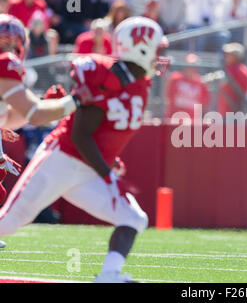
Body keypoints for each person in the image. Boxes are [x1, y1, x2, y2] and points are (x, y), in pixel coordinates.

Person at [0, 16, 170, 283]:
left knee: (134, 218)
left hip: (89, 167)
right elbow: (78, 134)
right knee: (7, 224)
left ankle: (109, 275)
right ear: (142, 47)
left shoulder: (140, 87)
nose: (161, 56)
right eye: (158, 49)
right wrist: (106, 173)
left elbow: (106, 133)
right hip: (62, 159)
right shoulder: (102, 73)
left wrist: (109, 164)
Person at [0, 14, 90, 248]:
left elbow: (9, 118)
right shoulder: (5, 64)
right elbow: (36, 114)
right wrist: (75, 101)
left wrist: (44, 102)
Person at [165, 53, 211, 119]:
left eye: (193, 67)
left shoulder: (201, 83)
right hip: (174, 118)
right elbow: (169, 97)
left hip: (193, 121)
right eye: (189, 66)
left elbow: (204, 104)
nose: (191, 69)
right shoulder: (175, 79)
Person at [217, 42, 247, 116]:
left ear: (236, 56)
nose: (226, 56)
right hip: (236, 108)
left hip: (230, 109)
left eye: (230, 54)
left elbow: (219, 81)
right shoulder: (244, 69)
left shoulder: (234, 69)